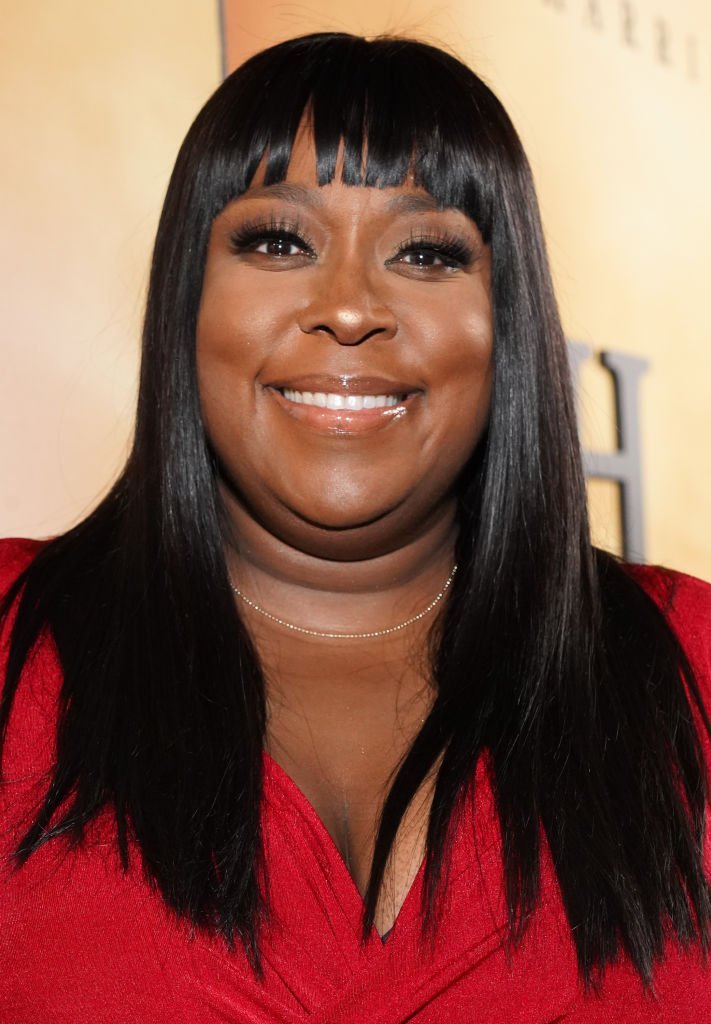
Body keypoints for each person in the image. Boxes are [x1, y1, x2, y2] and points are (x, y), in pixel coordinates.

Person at [1, 31, 710, 1022]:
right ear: (187, 297)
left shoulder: (693, 661)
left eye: (426, 252)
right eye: (278, 241)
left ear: (506, 322)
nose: (347, 308)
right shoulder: (8, 645)